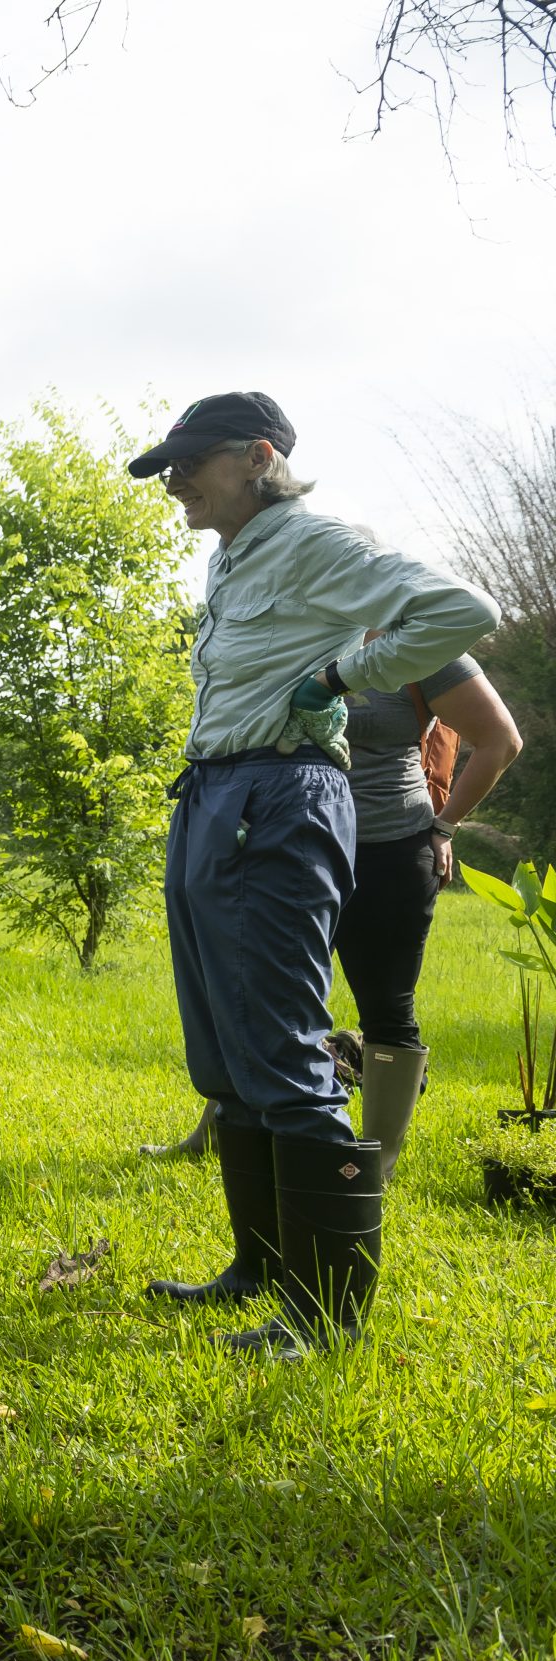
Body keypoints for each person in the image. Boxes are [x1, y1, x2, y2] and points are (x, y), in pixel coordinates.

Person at [133, 392, 498, 1359]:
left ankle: (325, 1317)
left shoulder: (311, 539)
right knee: (228, 1050)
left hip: (278, 801)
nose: (173, 480)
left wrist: (339, 675)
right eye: (166, 465)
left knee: (287, 1049)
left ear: (258, 456)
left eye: (191, 461)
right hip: (215, 793)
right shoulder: (233, 556)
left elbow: (461, 610)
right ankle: (258, 1269)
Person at [143, 650, 521, 1179]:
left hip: (387, 846)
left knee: (387, 1007)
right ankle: (222, 1133)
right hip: (291, 844)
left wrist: (444, 826)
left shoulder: (419, 643)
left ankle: (374, 1164)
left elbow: (501, 741)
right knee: (253, 993)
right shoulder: (301, 635)